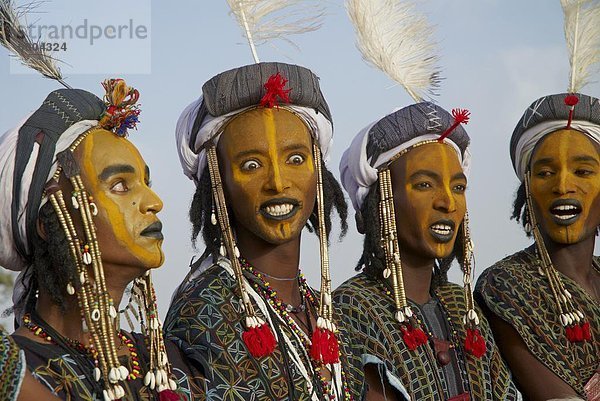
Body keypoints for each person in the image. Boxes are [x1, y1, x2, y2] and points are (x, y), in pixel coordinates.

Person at [165, 61, 359, 400]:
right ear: (218, 183)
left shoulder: (322, 307)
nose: (278, 182)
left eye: (296, 159)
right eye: (251, 165)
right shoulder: (202, 311)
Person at [0, 79, 205, 401]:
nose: (154, 201)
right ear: (46, 223)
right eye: (121, 186)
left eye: (145, 182)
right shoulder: (15, 369)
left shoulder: (171, 360)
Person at [335, 103, 519, 401]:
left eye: (458, 187)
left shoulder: (463, 305)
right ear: (379, 205)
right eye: (424, 184)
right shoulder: (352, 308)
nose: (447, 202)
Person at [475, 93, 600, 400]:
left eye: (583, 172)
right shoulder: (507, 286)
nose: (562, 185)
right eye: (545, 173)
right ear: (527, 189)